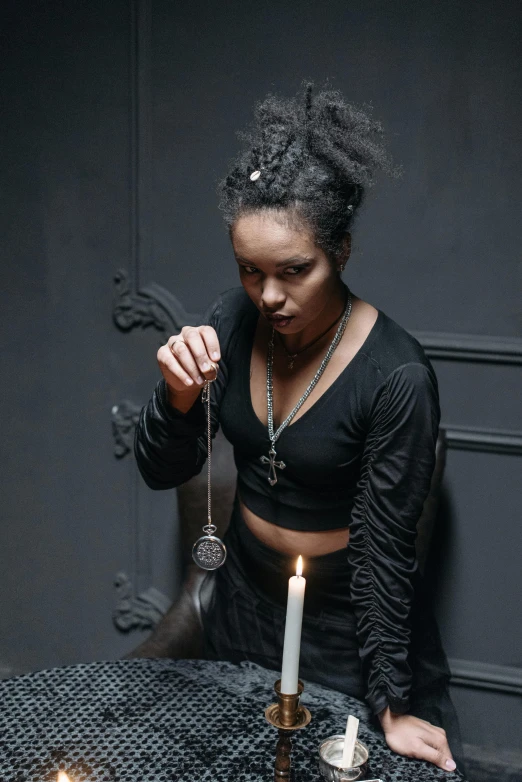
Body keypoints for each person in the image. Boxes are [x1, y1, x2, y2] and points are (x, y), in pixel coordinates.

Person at [134, 83, 464, 773]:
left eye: (294, 271)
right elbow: (161, 469)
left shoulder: (396, 376)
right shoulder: (231, 320)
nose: (270, 296)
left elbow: (385, 555)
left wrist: (391, 703)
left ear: (341, 251)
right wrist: (177, 396)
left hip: (345, 625)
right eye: (250, 271)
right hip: (243, 599)